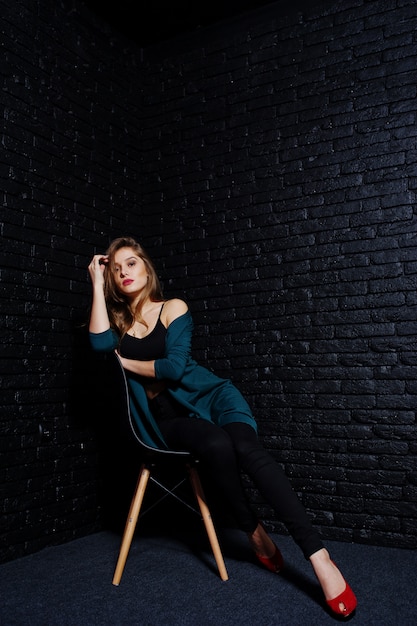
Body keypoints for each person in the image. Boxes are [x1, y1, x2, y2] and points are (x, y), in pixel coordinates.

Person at [88, 236, 357, 618]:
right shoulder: (119, 324)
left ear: (147, 269)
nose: (123, 272)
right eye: (115, 269)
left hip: (214, 399)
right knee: (215, 444)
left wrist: (125, 363)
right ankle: (252, 529)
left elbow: (174, 368)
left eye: (131, 263)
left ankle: (319, 556)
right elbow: (99, 345)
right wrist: (96, 284)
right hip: (165, 422)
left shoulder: (173, 308)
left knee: (246, 449)